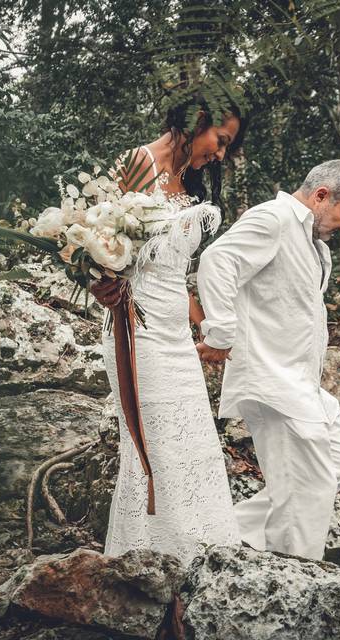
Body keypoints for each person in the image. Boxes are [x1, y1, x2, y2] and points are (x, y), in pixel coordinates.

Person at [89, 94, 245, 562]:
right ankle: (147, 560)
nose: (220, 154)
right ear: (198, 122)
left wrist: (208, 329)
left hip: (177, 335)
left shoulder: (191, 185)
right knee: (156, 450)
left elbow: (174, 273)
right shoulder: (136, 164)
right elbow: (98, 247)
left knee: (193, 446)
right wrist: (101, 284)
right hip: (137, 330)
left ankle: (199, 558)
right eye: (221, 141)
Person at [195, 159, 340, 560]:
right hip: (273, 381)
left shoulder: (313, 245)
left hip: (302, 385)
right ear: (321, 195)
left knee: (336, 466)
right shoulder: (274, 218)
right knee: (307, 490)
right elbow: (218, 260)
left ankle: (227, 531)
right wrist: (220, 332)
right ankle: (297, 573)